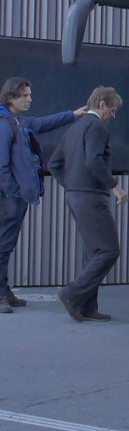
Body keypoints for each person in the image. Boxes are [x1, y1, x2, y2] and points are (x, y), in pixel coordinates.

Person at [0, 78, 86, 314]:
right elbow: (1, 166)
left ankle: (4, 291)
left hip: (17, 196)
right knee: (3, 245)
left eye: (29, 95)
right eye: (24, 96)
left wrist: (74, 114)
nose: (30, 99)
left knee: (7, 244)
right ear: (10, 98)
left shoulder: (19, 121)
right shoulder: (5, 124)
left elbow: (44, 123)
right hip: (11, 197)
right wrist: (13, 192)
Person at [47, 86, 127, 322]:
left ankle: (87, 308)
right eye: (113, 110)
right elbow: (94, 160)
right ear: (101, 105)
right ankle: (71, 294)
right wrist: (115, 187)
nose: (114, 115)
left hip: (76, 195)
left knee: (94, 251)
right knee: (108, 250)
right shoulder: (97, 126)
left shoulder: (75, 128)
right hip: (91, 196)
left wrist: (72, 185)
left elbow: (53, 164)